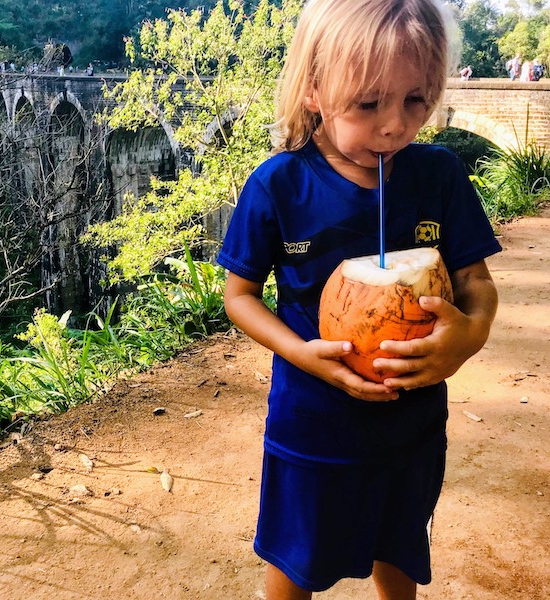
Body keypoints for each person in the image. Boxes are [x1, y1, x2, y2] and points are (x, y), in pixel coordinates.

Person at [216, 1, 501, 599]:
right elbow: (239, 296)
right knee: (297, 564)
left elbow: (475, 283)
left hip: (414, 427)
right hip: (313, 428)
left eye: (416, 100)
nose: (395, 125)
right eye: (369, 104)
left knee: (399, 550)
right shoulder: (279, 185)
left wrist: (467, 340)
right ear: (315, 89)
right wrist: (302, 353)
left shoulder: (438, 176)